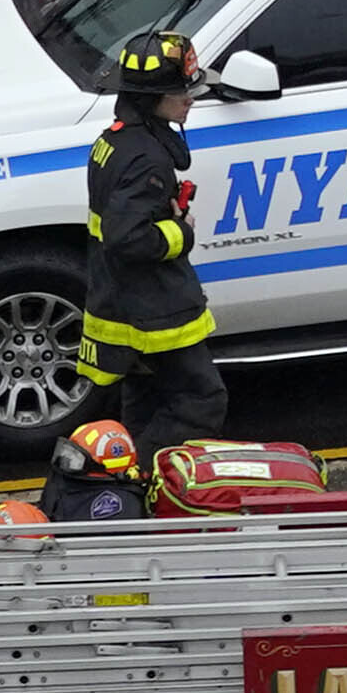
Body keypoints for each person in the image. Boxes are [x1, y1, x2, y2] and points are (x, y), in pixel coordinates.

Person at [76, 31, 227, 440]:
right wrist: (181, 231)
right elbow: (128, 239)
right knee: (201, 401)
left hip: (127, 304)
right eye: (182, 91)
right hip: (155, 311)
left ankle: (130, 492)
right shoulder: (147, 160)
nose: (191, 99)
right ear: (153, 98)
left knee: (145, 404)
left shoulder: (115, 141)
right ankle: (147, 477)